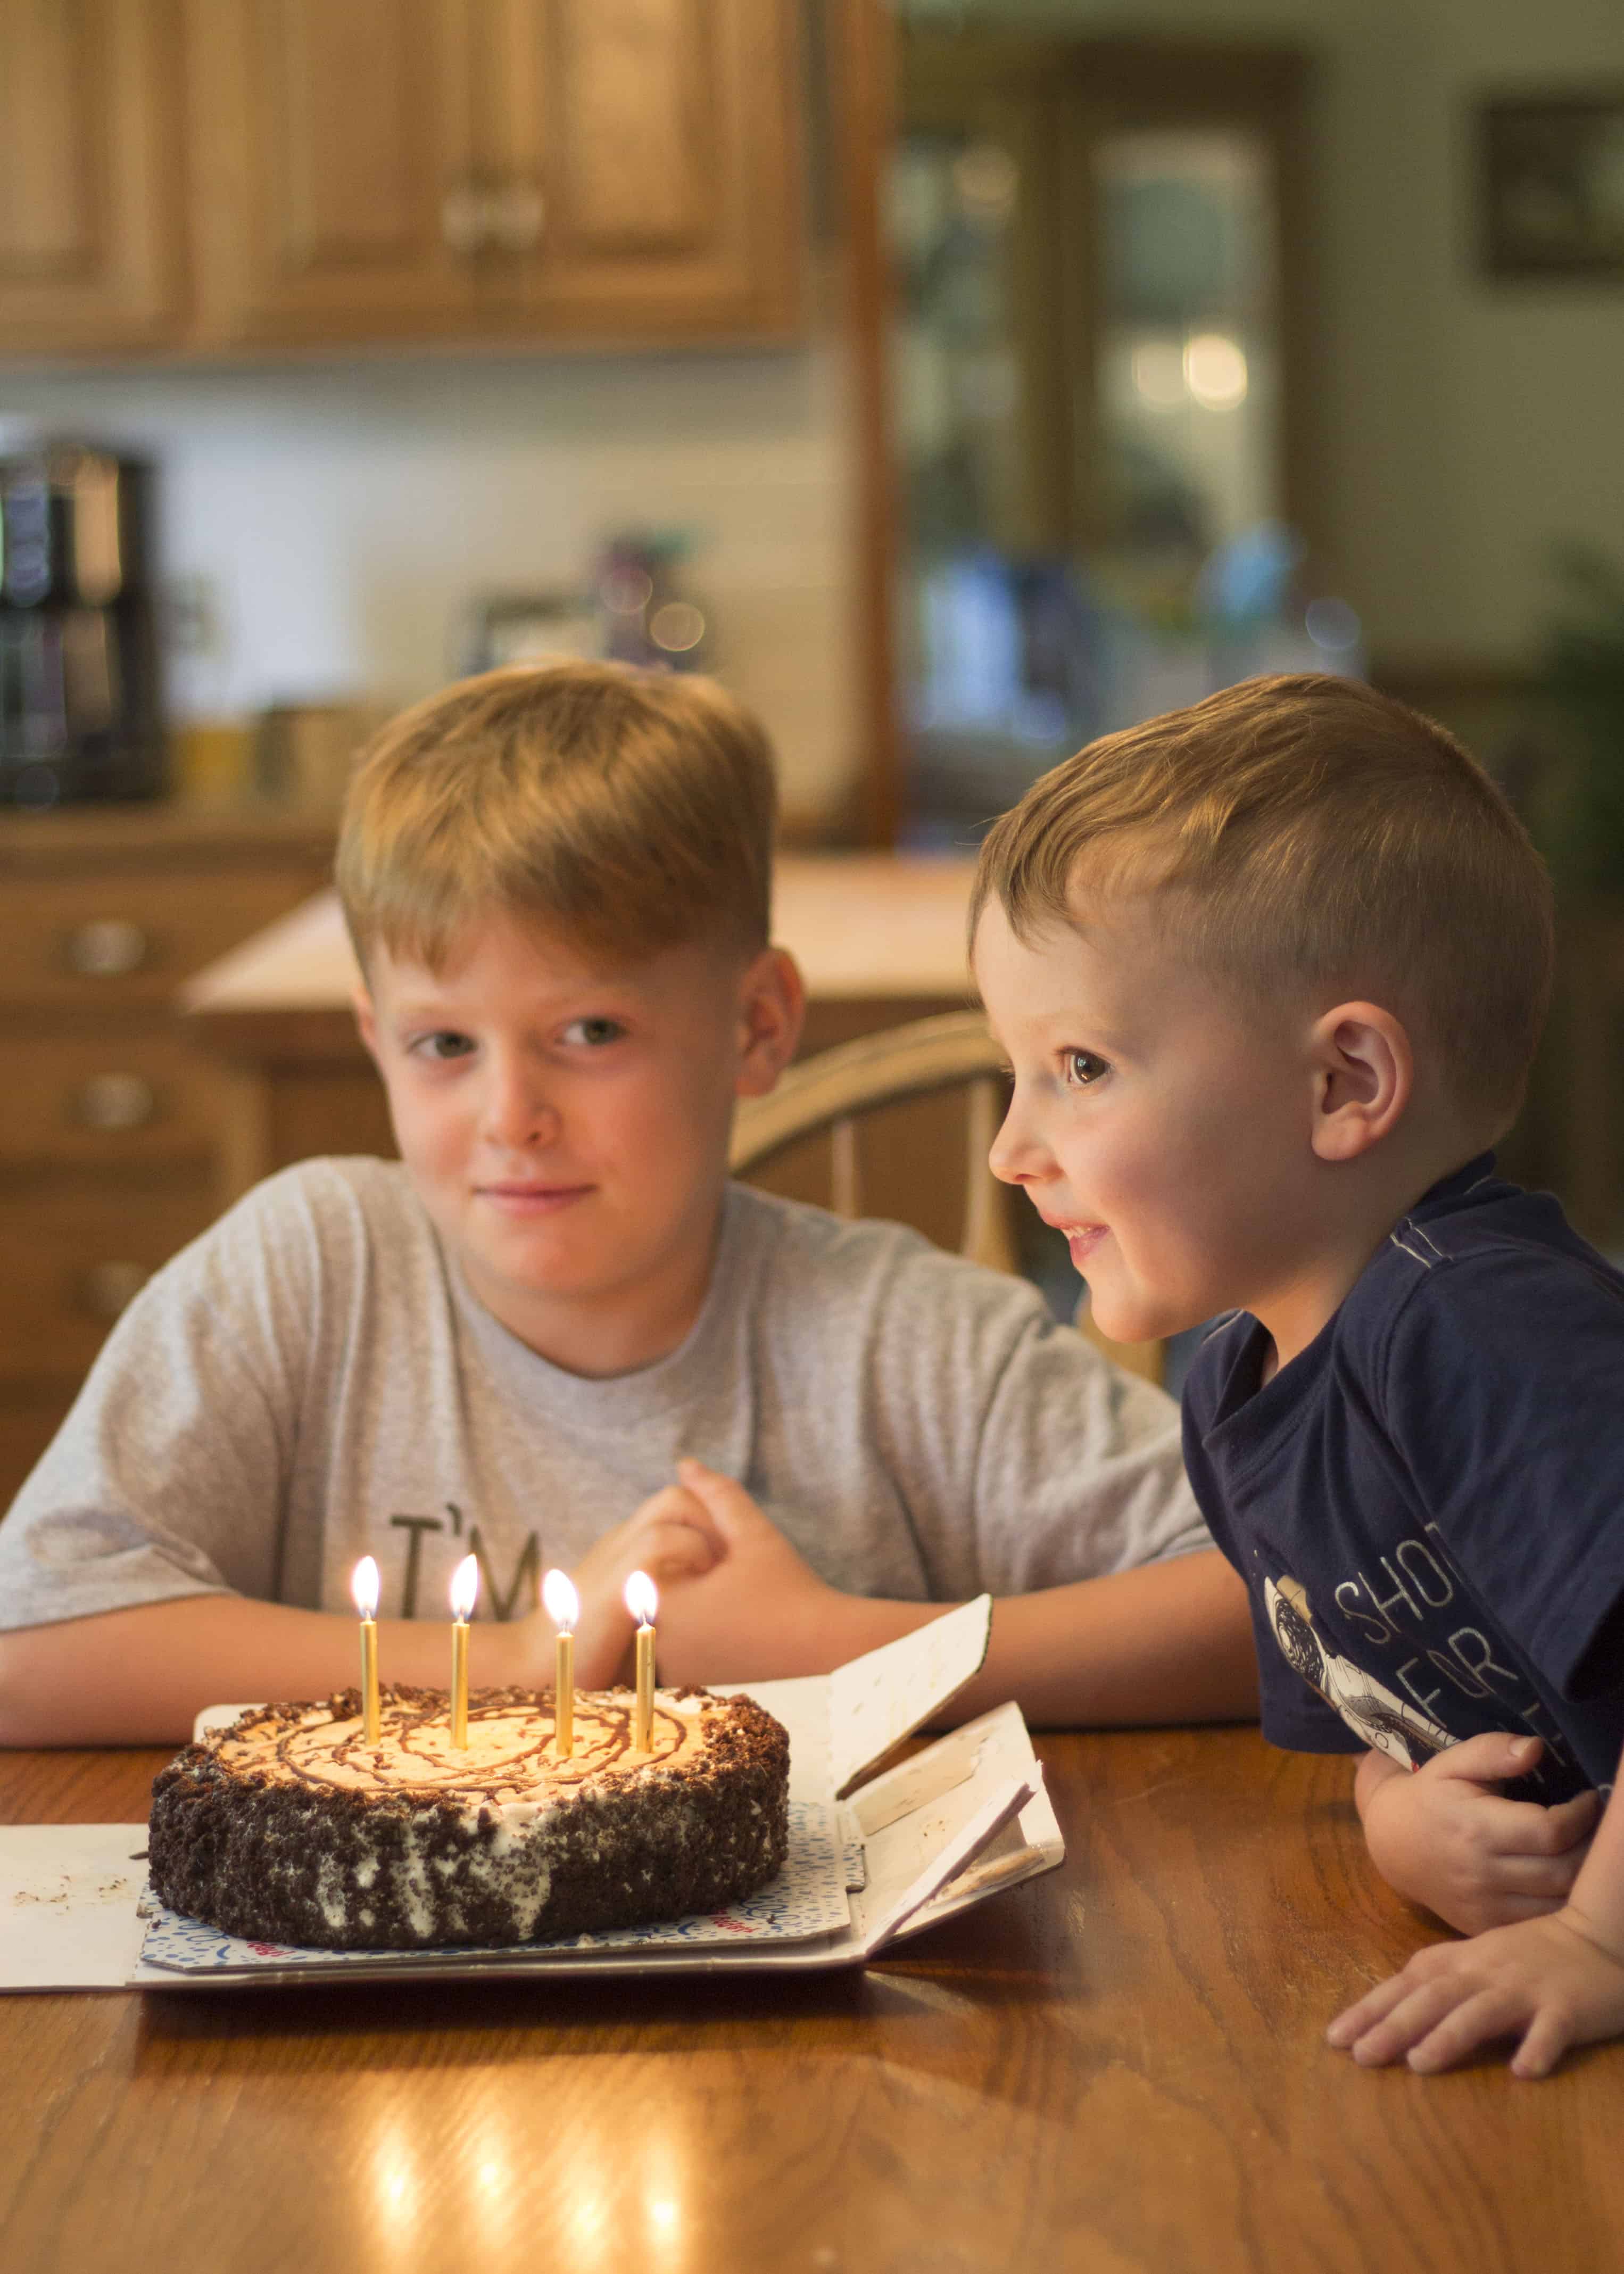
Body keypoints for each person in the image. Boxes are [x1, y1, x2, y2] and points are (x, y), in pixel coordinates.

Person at [0, 661, 1255, 1749]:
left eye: (589, 1030)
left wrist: (838, 1648)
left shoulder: (897, 1337)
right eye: (445, 1045)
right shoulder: (309, 1272)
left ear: (756, 1024)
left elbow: (1281, 1605)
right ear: (373, 1040)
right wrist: (523, 1665)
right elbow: (27, 1646)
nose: (510, 1115)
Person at [970, 671, 1624, 2080]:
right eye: (1013, 1072)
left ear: (1343, 1084)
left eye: (1079, 1065)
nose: (1010, 1148)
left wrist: (1598, 1943)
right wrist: (1397, 1814)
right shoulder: (1239, 1387)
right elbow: (1373, 1714)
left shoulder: (1476, 1328)